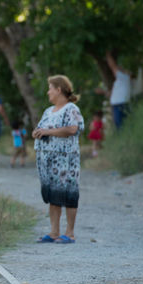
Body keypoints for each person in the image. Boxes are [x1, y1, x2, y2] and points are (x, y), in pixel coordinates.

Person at [32, 75, 84, 244]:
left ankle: (70, 233)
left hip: (66, 160)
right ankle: (54, 232)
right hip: (48, 160)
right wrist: (37, 133)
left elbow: (72, 129)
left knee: (68, 193)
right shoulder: (48, 111)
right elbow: (42, 128)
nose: (48, 92)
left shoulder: (71, 109)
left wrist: (48, 132)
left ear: (59, 89)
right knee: (52, 195)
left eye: (50, 88)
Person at [106, 51, 131, 130]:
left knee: (119, 124)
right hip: (119, 104)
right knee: (121, 124)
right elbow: (112, 93)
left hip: (119, 104)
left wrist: (108, 55)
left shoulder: (123, 77)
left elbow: (113, 66)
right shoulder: (120, 81)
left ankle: (122, 139)